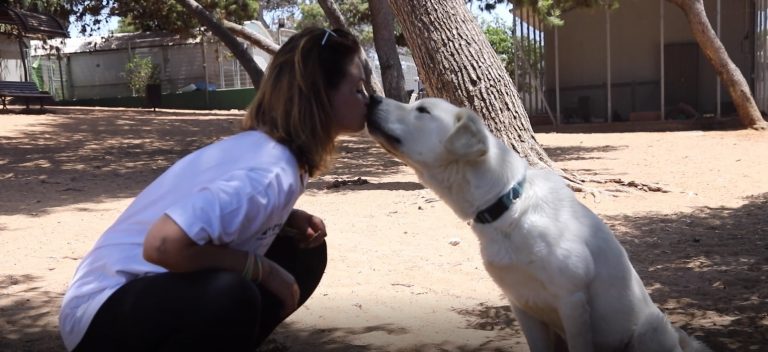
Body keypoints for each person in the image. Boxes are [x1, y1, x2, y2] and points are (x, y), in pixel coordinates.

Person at [59, 27, 370, 352]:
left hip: (151, 293)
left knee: (303, 249)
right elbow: (162, 245)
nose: (367, 98)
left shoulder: (281, 158)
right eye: (358, 88)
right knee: (231, 294)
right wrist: (264, 271)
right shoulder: (269, 171)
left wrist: (287, 217)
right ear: (319, 94)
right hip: (101, 313)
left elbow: (230, 204)